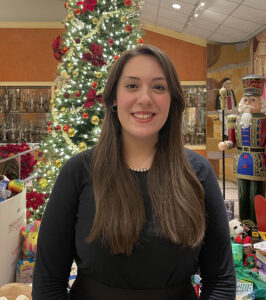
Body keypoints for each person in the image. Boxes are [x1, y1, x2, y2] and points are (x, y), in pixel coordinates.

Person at [32, 44, 236, 300]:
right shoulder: (78, 172)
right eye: (132, 85)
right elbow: (48, 283)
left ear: (172, 99)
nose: (145, 98)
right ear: (113, 98)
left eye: (159, 87)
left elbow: (221, 280)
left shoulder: (198, 173)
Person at [218, 75, 266, 224]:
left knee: (256, 194)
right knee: (242, 193)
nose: (248, 104)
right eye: (246, 100)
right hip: (241, 161)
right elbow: (233, 140)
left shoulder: (264, 120)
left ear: (260, 103)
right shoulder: (236, 120)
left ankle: (258, 224)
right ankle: (245, 222)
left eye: (253, 100)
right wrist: (226, 144)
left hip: (258, 162)